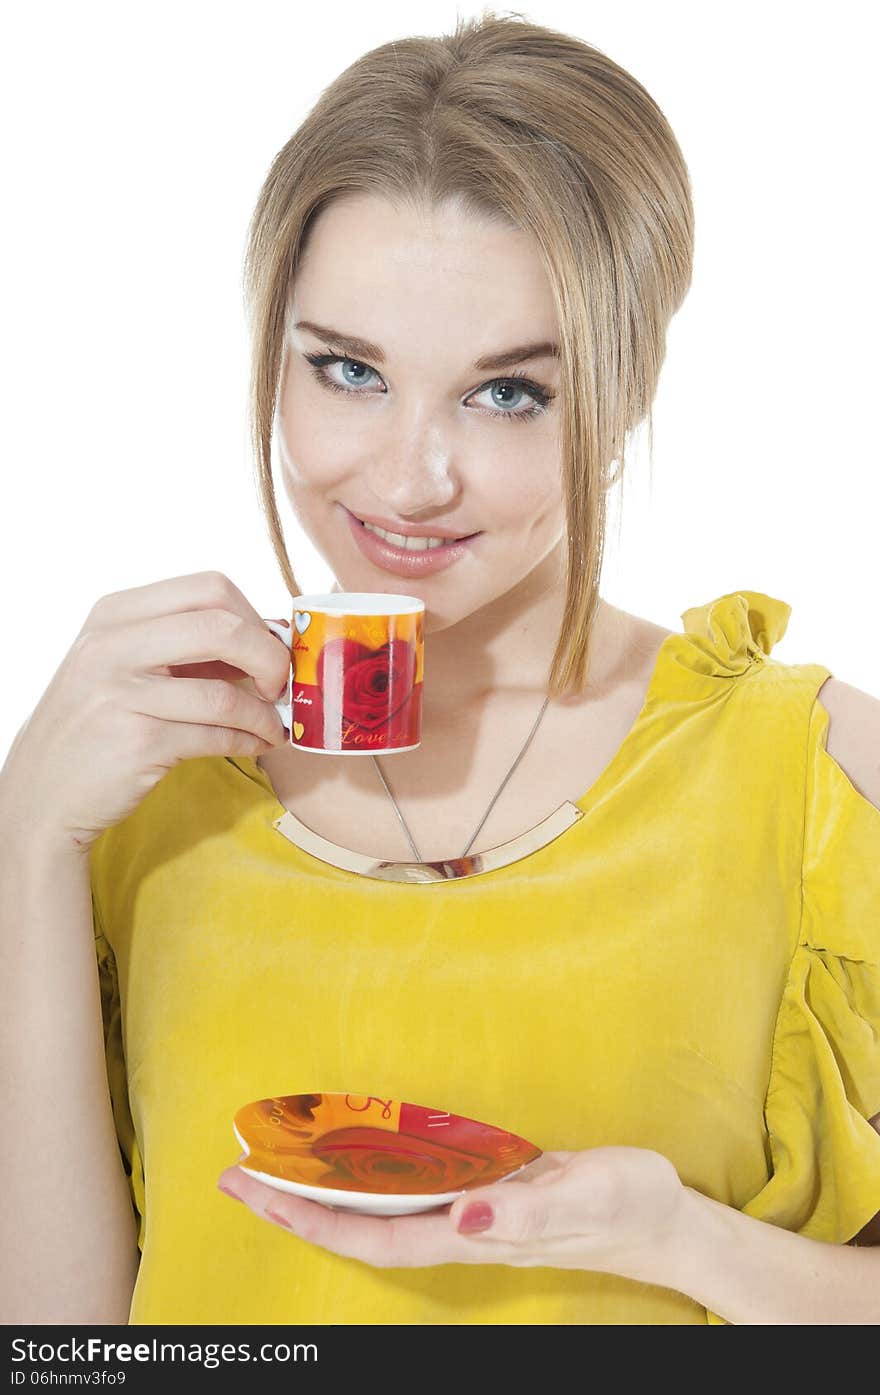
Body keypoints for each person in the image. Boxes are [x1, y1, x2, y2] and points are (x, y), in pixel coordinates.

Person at [2, 13, 878, 1327]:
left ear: (626, 389)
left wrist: (679, 1243)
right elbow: (57, 1351)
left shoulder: (813, 784)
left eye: (508, 393)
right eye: (347, 371)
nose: (411, 479)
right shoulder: (132, 792)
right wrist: (25, 833)